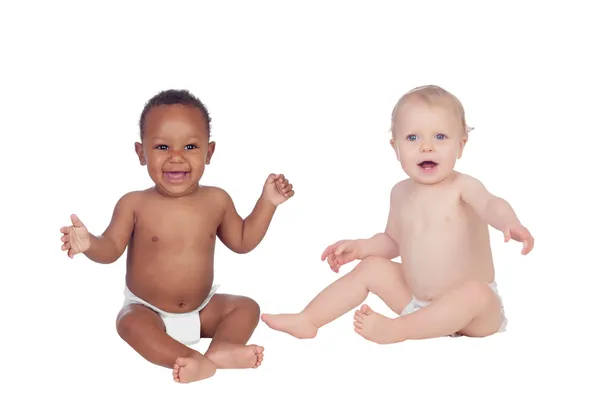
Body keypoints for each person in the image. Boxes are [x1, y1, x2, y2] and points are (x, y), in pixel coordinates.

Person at [261, 85, 533, 344]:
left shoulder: (463, 187)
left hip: (475, 315)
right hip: (419, 305)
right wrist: (361, 248)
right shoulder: (400, 193)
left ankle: (397, 330)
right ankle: (308, 319)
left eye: (440, 137)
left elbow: (491, 205)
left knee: (476, 292)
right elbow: (393, 241)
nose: (426, 147)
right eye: (413, 138)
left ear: (461, 145)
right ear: (396, 148)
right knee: (371, 267)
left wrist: (510, 222)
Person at [60, 89, 294, 382]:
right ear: (140, 152)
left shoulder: (218, 200)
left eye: (190, 147)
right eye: (161, 148)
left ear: (209, 153)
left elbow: (243, 241)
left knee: (246, 307)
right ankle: (191, 360)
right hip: (148, 311)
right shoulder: (134, 203)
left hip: (202, 308)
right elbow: (110, 249)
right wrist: (89, 243)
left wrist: (268, 203)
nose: (176, 158)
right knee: (128, 323)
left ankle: (222, 349)